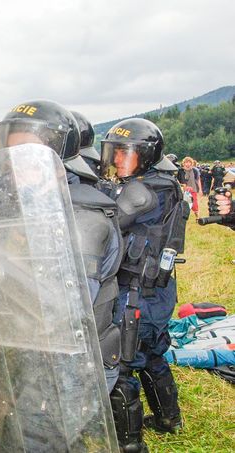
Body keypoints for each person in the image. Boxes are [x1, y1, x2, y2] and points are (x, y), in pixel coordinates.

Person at [100, 118, 189, 449]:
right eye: (115, 154)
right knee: (152, 354)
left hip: (136, 293)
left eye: (126, 155)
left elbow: (109, 220)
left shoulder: (141, 191)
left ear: (147, 156)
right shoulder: (165, 183)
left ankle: (129, 444)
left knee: (121, 366)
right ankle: (170, 419)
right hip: (157, 289)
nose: (117, 162)